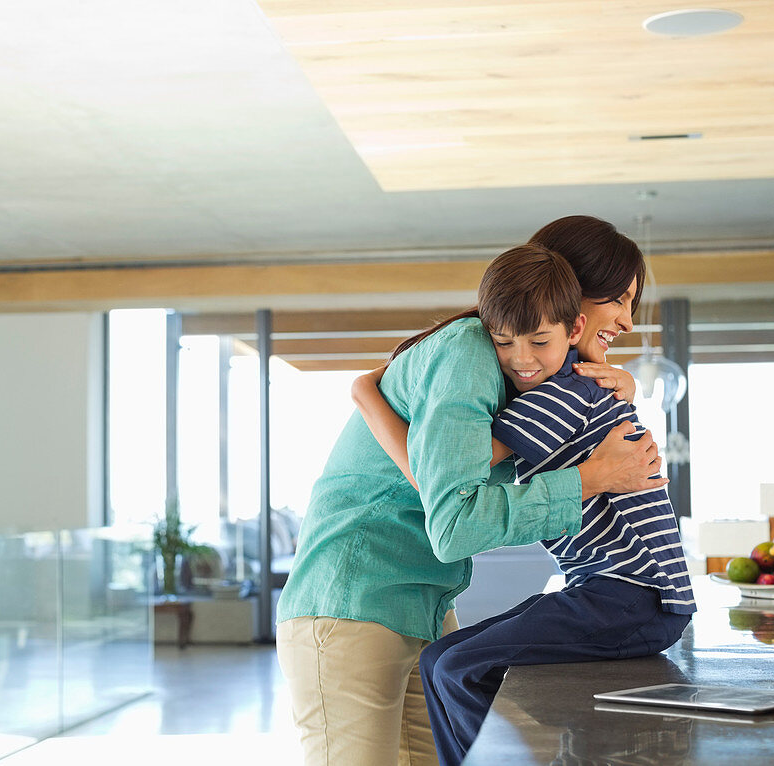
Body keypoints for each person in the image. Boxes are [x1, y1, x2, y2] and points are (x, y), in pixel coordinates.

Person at [275, 215, 665, 766]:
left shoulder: (529, 371)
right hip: (352, 603)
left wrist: (618, 380)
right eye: (619, 300)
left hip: (423, 606)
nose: (626, 320)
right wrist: (590, 479)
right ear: (569, 292)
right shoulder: (467, 352)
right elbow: (454, 523)